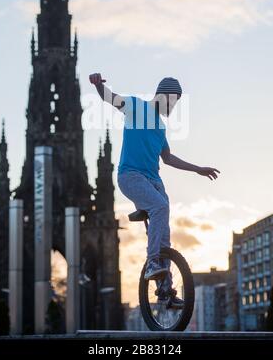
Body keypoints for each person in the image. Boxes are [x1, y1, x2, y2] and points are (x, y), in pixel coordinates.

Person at [89, 73, 220, 308]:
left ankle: (165, 290)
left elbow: (168, 158)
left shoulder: (160, 126)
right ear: (162, 95)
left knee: (164, 234)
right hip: (130, 176)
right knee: (160, 207)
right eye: (172, 100)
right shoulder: (136, 106)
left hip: (153, 180)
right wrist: (99, 85)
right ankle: (152, 263)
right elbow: (111, 99)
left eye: (177, 102)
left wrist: (197, 169)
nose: (174, 105)